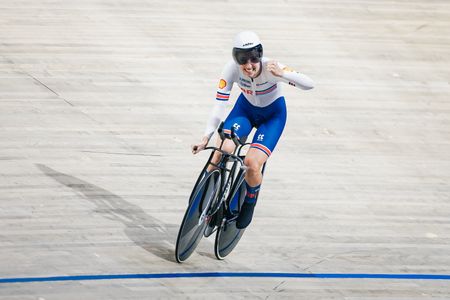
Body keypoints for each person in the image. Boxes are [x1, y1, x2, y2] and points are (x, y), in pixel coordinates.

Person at [192, 31, 314, 229]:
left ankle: (249, 201)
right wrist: (206, 136)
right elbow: (219, 104)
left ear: (260, 54)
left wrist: (283, 74)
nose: (249, 65)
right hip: (245, 111)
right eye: (242, 59)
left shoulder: (271, 67)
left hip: (272, 116)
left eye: (253, 58)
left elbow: (310, 84)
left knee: (251, 163)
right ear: (235, 59)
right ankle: (200, 200)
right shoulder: (231, 69)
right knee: (222, 149)